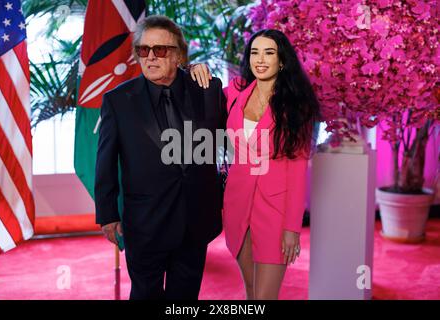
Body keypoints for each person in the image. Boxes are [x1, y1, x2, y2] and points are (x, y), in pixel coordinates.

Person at [94, 15, 226, 300]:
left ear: (178, 54)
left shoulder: (207, 89)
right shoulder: (118, 100)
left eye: (161, 50)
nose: (150, 57)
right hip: (145, 222)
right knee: (144, 294)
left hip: (195, 220)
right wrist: (107, 214)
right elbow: (105, 161)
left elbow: (232, 134)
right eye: (143, 50)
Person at [190, 29, 320, 299]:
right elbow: (199, 91)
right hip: (238, 201)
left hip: (276, 209)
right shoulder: (236, 91)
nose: (260, 59)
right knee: (250, 290)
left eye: (269, 52)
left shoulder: (297, 106)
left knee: (264, 297)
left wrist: (291, 229)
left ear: (281, 61)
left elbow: (297, 172)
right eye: (255, 52)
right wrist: (194, 67)